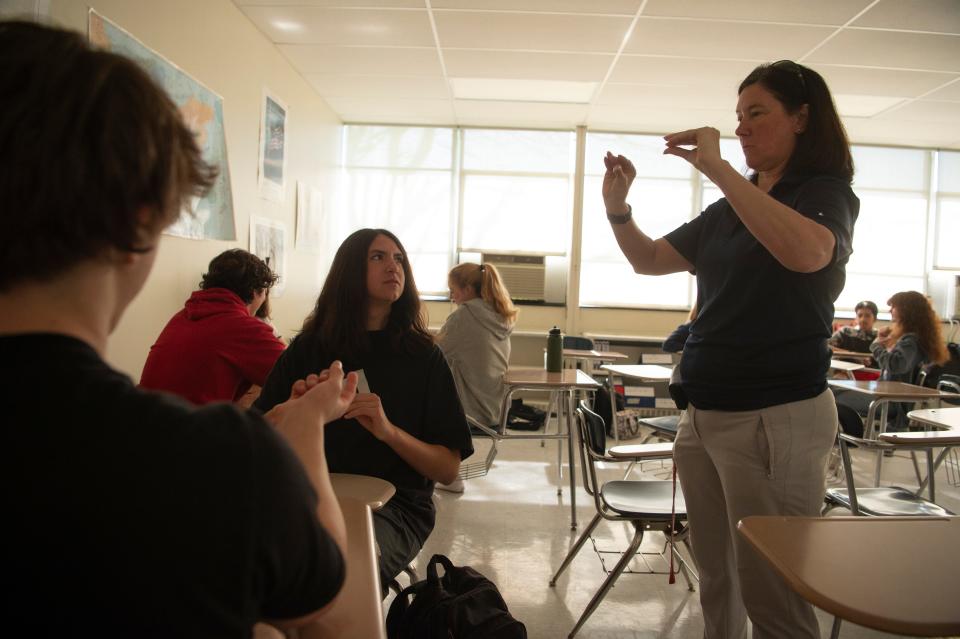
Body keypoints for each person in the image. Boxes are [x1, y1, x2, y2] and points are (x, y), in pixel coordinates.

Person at [0, 20, 353, 636]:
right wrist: (303, 426)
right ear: (139, 221)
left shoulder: (188, 317)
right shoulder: (221, 467)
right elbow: (316, 594)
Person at [602, 60, 859, 639]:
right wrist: (618, 209)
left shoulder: (824, 193)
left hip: (776, 415)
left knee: (775, 592)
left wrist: (718, 170)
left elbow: (809, 254)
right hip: (706, 415)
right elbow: (648, 260)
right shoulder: (730, 209)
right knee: (718, 578)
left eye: (756, 114)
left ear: (801, 118)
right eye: (737, 116)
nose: (740, 128)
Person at [255, 228, 474, 593]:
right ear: (349, 271)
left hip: (396, 507)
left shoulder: (423, 357)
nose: (393, 266)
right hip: (310, 496)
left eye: (399, 258)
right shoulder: (309, 349)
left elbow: (448, 469)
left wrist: (389, 432)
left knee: (344, 573)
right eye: (378, 257)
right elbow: (259, 433)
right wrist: (294, 412)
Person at [140, 248, 285, 405]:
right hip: (187, 425)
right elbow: (298, 373)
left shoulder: (182, 316)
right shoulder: (242, 327)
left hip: (143, 420)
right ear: (257, 291)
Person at [435, 262, 517, 492]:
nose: (451, 297)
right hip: (495, 407)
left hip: (471, 412)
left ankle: (447, 475)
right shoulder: (501, 316)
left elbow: (433, 355)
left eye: (453, 290)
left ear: (468, 290)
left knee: (412, 393)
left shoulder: (463, 317)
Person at [836, 291, 949, 430]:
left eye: (893, 307)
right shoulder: (913, 338)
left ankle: (850, 436)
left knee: (831, 395)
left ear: (906, 310)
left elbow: (895, 365)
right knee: (833, 390)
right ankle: (850, 435)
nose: (890, 310)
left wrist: (876, 345)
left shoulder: (911, 341)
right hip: (886, 396)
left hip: (889, 403)